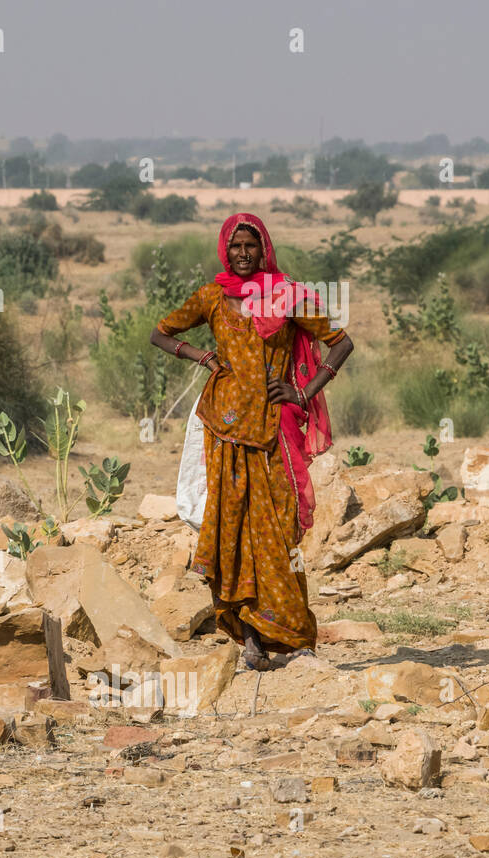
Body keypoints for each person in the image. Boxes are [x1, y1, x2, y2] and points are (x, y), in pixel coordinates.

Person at [149, 212, 354, 670]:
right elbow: (159, 332)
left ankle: (294, 633)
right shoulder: (212, 297)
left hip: (271, 432)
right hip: (221, 430)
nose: (243, 254)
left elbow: (341, 343)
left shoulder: (290, 297)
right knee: (230, 530)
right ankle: (250, 642)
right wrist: (200, 355)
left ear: (265, 251)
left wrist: (303, 391)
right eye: (236, 246)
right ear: (226, 249)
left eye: (251, 246)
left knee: (279, 532)